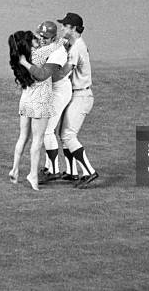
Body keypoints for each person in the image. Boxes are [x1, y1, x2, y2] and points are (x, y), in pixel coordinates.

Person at [19, 22, 74, 184]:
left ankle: (54, 170)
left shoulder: (58, 53)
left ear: (53, 38)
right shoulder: (51, 45)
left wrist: (25, 63)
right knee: (45, 131)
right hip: (49, 90)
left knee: (48, 130)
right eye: (40, 35)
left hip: (58, 91)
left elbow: (43, 75)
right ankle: (51, 167)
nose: (41, 39)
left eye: (46, 37)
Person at [7, 29, 58, 190]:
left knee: (23, 137)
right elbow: (59, 44)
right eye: (34, 39)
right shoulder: (37, 56)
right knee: (38, 140)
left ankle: (15, 169)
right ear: (28, 44)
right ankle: (33, 175)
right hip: (40, 102)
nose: (37, 40)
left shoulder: (17, 60)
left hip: (25, 101)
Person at [57, 13, 99, 188]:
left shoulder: (77, 48)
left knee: (68, 135)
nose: (61, 28)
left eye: (65, 26)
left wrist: (40, 77)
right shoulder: (74, 45)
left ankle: (89, 171)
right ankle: (72, 172)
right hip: (75, 95)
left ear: (73, 28)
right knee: (63, 134)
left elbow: (63, 72)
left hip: (81, 96)